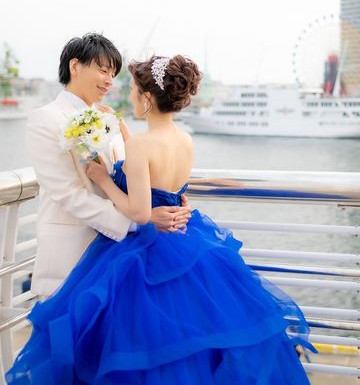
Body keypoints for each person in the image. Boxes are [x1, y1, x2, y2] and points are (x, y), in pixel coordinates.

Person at [6, 54, 312, 384]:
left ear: (147, 98)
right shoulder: (184, 139)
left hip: (144, 245)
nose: (127, 94)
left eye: (133, 89)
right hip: (182, 235)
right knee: (184, 336)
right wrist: (130, 141)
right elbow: (163, 183)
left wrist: (104, 179)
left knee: (133, 341)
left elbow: (139, 211)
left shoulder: (141, 145)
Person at [21, 34, 192, 298]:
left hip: (116, 258)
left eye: (113, 73)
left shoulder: (109, 118)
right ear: (75, 67)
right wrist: (141, 221)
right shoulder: (45, 119)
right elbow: (67, 193)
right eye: (103, 70)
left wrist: (171, 204)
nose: (110, 80)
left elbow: (135, 178)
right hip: (73, 255)